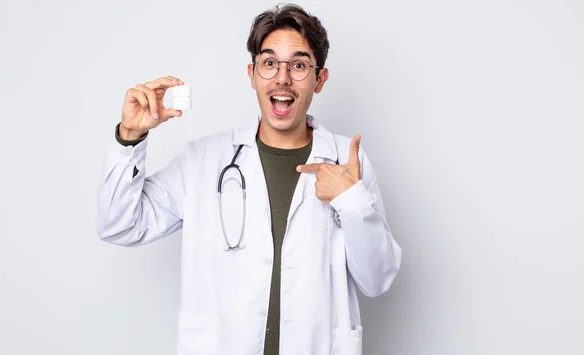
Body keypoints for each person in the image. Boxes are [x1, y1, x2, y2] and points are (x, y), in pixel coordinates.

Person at [96, 3, 401, 355]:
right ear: (252, 74)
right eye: (269, 63)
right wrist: (129, 139)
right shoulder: (203, 161)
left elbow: (377, 280)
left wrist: (352, 202)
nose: (282, 78)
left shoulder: (348, 160)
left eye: (299, 65)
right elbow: (118, 225)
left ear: (320, 79)